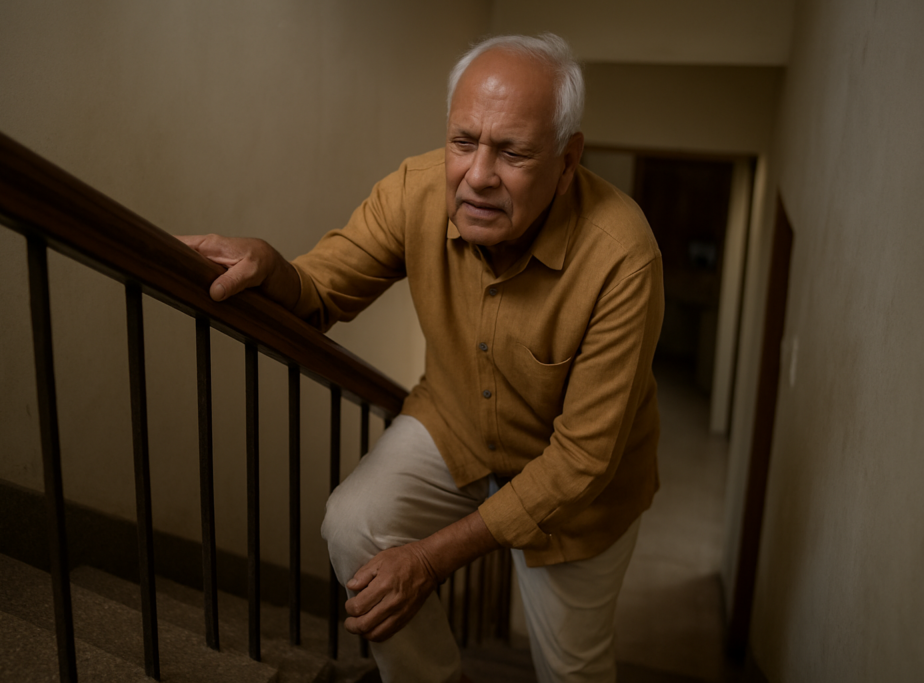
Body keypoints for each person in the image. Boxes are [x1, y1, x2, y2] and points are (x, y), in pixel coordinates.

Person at [180, 33, 663, 683]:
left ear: (568, 158)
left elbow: (582, 459)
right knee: (353, 523)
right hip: (457, 423)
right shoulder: (415, 188)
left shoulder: (624, 257)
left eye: (513, 151)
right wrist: (275, 268)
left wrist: (431, 560)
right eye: (464, 141)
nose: (478, 174)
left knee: (572, 668)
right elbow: (320, 288)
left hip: (582, 498)